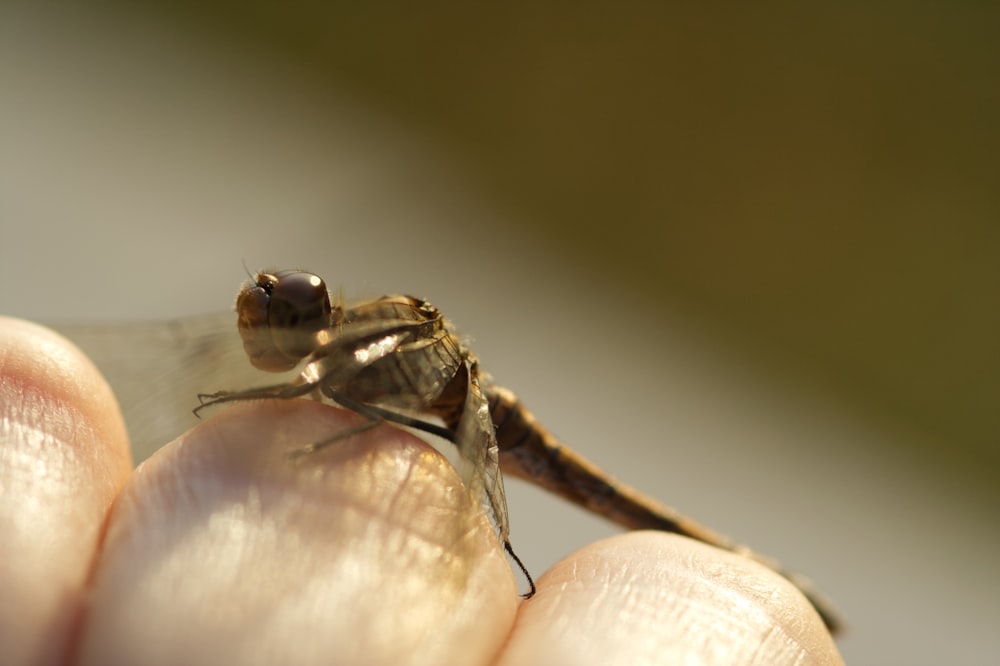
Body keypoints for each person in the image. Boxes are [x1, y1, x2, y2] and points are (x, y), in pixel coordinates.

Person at [0, 317, 842, 665]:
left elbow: (351, 412)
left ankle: (782, 578)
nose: (261, 318)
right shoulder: (346, 342)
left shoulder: (381, 355)